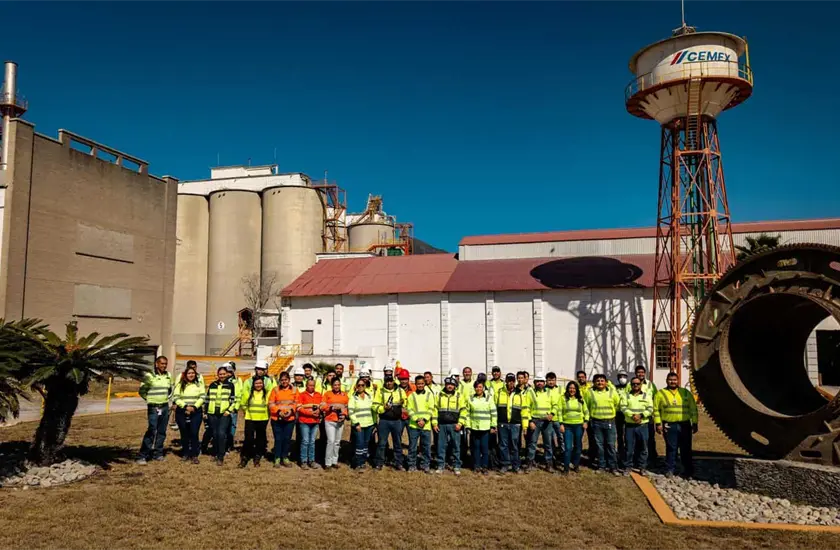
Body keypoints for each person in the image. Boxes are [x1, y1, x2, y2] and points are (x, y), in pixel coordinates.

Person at [654, 372, 698, 478]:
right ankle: (670, 469)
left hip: (685, 425)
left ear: (678, 381)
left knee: (686, 448)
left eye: (674, 380)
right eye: (670, 380)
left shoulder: (685, 393)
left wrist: (695, 422)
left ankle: (688, 471)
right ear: (666, 381)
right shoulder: (660, 393)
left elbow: (693, 409)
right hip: (669, 425)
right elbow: (656, 410)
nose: (672, 382)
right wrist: (658, 424)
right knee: (671, 448)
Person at [137, 356, 174, 464]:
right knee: (152, 430)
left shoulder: (168, 376)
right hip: (153, 407)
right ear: (156, 364)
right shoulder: (149, 376)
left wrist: (167, 399)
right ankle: (143, 455)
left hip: (164, 407)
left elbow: (170, 389)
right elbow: (142, 391)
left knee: (162, 431)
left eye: (165, 364)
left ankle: (158, 454)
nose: (164, 365)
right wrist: (149, 399)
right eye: (162, 363)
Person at [585, 374, 622, 475]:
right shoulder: (589, 393)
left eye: (602, 380)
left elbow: (617, 404)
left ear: (606, 382)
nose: (600, 383)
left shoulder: (612, 392)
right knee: (599, 446)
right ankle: (601, 466)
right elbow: (586, 407)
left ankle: (613, 467)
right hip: (596, 422)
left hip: (609, 422)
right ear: (594, 382)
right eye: (597, 381)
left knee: (610, 445)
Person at [494, 373, 530, 474]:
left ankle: (516, 466)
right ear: (505, 381)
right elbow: (494, 408)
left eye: (512, 381)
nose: (511, 383)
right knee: (503, 445)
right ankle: (505, 465)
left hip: (515, 424)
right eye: (509, 380)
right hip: (502, 423)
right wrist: (494, 423)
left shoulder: (520, 393)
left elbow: (524, 411)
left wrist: (525, 426)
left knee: (515, 445)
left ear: (515, 382)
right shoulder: (499, 392)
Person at [203, 366, 237, 465]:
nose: (222, 376)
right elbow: (207, 399)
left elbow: (233, 400)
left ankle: (220, 456)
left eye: (223, 374)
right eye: (220, 374)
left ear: (226, 374)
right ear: (217, 375)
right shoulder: (212, 385)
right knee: (215, 434)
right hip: (212, 413)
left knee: (221, 434)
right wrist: (205, 412)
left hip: (224, 414)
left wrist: (229, 410)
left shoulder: (230, 385)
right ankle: (215, 453)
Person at [620, 376, 654, 475]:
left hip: (642, 425)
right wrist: (633, 416)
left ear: (641, 385)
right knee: (629, 448)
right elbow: (623, 407)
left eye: (638, 384)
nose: (635, 385)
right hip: (630, 425)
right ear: (631, 385)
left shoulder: (647, 396)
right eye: (633, 384)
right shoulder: (625, 396)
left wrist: (641, 416)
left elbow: (650, 408)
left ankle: (642, 467)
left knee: (644, 448)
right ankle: (628, 467)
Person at [462, 379, 496, 475]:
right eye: (476, 387)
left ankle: (484, 467)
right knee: (476, 448)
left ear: (483, 388)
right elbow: (467, 414)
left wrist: (493, 425)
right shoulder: (471, 399)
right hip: (474, 428)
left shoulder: (489, 398)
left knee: (484, 448)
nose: (478, 389)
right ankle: (476, 466)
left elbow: (493, 412)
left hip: (485, 428)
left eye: (480, 387)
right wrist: (468, 426)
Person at [374, 375, 407, 470]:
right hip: (384, 421)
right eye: (387, 381)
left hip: (397, 421)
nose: (389, 383)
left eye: (391, 381)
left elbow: (406, 402)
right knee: (382, 443)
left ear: (394, 381)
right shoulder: (380, 391)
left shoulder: (401, 391)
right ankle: (379, 463)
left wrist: (403, 402)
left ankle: (398, 463)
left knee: (397, 443)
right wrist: (383, 408)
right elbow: (374, 406)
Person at [433, 377, 465, 475]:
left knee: (456, 446)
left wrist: (460, 423)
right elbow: (434, 410)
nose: (450, 386)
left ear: (455, 386)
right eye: (448, 384)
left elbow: (463, 410)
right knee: (441, 446)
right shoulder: (439, 395)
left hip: (455, 425)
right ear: (445, 385)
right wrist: (434, 423)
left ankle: (456, 466)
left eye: (452, 385)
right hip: (442, 425)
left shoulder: (459, 396)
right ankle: (440, 465)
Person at [173, 364, 204, 464]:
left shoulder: (199, 384)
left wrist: (194, 407)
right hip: (182, 411)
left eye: (193, 373)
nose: (191, 375)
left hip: (196, 412)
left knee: (194, 433)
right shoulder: (180, 384)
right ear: (185, 374)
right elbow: (176, 397)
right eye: (189, 373)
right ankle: (186, 453)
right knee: (184, 433)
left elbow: (202, 397)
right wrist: (185, 406)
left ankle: (194, 455)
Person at [527, 372, 557, 472]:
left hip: (547, 422)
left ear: (544, 382)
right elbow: (526, 407)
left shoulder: (550, 392)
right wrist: (530, 421)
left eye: (541, 381)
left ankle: (549, 464)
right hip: (535, 421)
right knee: (532, 443)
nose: (539, 383)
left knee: (548, 444)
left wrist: (552, 414)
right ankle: (530, 463)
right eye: (537, 381)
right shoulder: (530, 392)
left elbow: (555, 405)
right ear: (534, 382)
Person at [629, 365, 658, 463]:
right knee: (637, 440)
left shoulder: (650, 384)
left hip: (647, 416)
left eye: (642, 372)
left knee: (649, 438)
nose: (640, 374)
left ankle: (652, 458)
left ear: (645, 373)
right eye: (638, 372)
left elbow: (656, 398)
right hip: (633, 417)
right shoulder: (631, 384)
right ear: (635, 373)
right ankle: (637, 460)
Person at [558, 381, 589, 475]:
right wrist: (561, 424)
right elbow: (559, 411)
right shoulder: (563, 398)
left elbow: (586, 411)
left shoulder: (580, 399)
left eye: (574, 388)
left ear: (577, 390)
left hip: (579, 426)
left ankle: (576, 465)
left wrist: (586, 421)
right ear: (567, 389)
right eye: (570, 388)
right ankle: (566, 468)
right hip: (567, 426)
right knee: (567, 447)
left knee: (578, 447)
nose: (572, 390)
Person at [239, 376, 270, 468]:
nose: (258, 385)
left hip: (262, 419)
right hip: (250, 419)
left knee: (260, 439)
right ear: (253, 384)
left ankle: (257, 457)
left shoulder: (267, 394)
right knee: (249, 439)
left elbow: (269, 405)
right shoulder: (248, 393)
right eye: (256, 383)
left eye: (260, 383)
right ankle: (245, 457)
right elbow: (243, 404)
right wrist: (247, 412)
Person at [406, 375, 435, 473]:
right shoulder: (411, 396)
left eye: (422, 383)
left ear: (424, 384)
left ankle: (425, 465)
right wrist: (417, 420)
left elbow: (431, 408)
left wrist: (424, 420)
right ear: (415, 384)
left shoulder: (429, 395)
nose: (420, 385)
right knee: (412, 447)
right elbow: (409, 409)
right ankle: (411, 465)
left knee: (426, 447)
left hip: (426, 425)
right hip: (414, 425)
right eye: (418, 384)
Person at [268, 371, 297, 467]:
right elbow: (271, 403)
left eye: (286, 380)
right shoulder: (275, 390)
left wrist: (291, 411)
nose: (284, 382)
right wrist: (278, 411)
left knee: (287, 439)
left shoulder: (294, 390)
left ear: (289, 380)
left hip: (290, 419)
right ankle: (277, 458)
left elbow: (297, 403)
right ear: (280, 380)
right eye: (282, 380)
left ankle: (285, 457)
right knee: (278, 439)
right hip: (277, 419)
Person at [321, 377, 349, 469]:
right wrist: (330, 408)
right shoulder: (327, 394)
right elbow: (322, 406)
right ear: (332, 385)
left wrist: (344, 415)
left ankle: (334, 461)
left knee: (337, 442)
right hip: (330, 420)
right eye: (335, 385)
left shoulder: (344, 395)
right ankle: (327, 463)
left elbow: (346, 407)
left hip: (340, 421)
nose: (337, 386)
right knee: (331, 441)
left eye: (338, 384)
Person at [349, 378, 375, 469]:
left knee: (365, 444)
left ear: (365, 386)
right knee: (359, 444)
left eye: (362, 385)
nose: (360, 387)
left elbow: (373, 410)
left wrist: (374, 423)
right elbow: (351, 411)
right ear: (356, 386)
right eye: (359, 385)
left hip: (369, 424)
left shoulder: (369, 396)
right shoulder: (353, 397)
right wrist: (356, 424)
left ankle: (363, 462)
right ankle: (357, 463)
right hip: (359, 425)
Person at [295, 378, 322, 468]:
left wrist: (319, 411)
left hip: (315, 422)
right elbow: (299, 408)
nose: (311, 387)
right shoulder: (302, 395)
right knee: (305, 441)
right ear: (306, 385)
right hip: (304, 421)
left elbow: (322, 406)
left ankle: (311, 460)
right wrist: (310, 413)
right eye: (309, 385)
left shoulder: (319, 395)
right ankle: (303, 461)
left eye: (313, 385)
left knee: (312, 442)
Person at [546, 372, 565, 466]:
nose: (551, 382)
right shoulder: (544, 390)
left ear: (556, 380)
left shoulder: (561, 389)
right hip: (549, 420)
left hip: (559, 418)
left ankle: (563, 456)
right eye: (549, 380)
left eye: (552, 380)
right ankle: (552, 457)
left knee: (561, 438)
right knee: (550, 440)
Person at [225, 361, 243, 452]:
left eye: (230, 371)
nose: (228, 373)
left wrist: (236, 407)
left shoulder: (238, 380)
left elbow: (239, 394)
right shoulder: (221, 381)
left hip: (233, 408)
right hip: (224, 408)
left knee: (232, 426)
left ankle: (229, 444)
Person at [614, 371, 629, 470]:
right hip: (618, 414)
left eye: (624, 376)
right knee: (619, 436)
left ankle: (628, 455)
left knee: (628, 436)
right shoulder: (614, 388)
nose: (622, 378)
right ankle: (620, 454)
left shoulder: (630, 387)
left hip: (628, 414)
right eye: (620, 377)